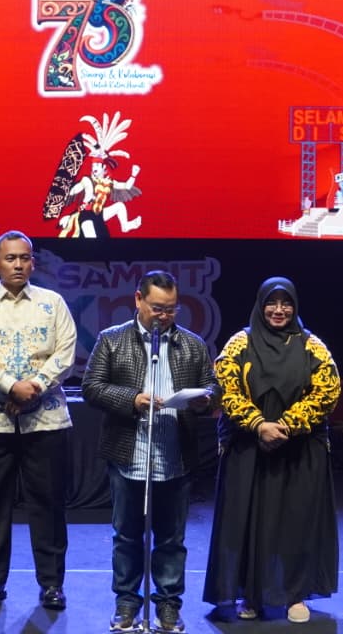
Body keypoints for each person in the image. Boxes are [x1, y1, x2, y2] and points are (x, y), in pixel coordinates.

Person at [82, 270, 218, 633]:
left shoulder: (192, 344)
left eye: (171, 309)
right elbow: (92, 387)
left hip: (175, 456)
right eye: (158, 308)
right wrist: (132, 399)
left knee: (172, 540)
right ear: (138, 299)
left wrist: (204, 400)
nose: (164, 316)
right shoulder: (112, 339)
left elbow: (211, 386)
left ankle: (168, 605)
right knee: (126, 536)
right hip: (129, 455)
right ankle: (127, 603)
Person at [202, 276, 341, 624]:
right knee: (249, 521)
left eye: (286, 303)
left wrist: (287, 425)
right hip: (248, 447)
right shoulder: (240, 343)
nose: (279, 310)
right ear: (260, 305)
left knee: (296, 521)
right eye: (272, 303)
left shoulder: (312, 345)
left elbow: (328, 390)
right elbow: (225, 388)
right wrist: (258, 424)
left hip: (299, 449)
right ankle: (250, 593)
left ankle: (295, 594)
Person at [0, 230, 77, 610]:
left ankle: (52, 585)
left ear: (33, 263)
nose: (18, 264)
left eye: (25, 258)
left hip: (46, 421)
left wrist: (34, 387)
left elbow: (66, 353)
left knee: (48, 505)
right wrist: (11, 387)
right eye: (10, 258)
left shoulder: (52, 303)